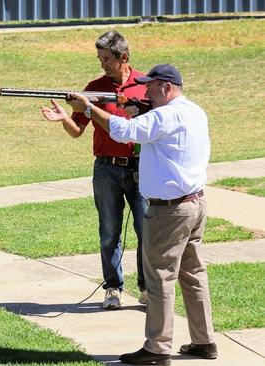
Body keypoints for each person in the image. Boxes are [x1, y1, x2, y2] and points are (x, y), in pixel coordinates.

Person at [62, 64, 216, 365]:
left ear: (166, 88)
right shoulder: (194, 111)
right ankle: (204, 341)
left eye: (150, 87)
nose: (145, 91)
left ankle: (157, 348)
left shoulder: (164, 115)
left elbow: (123, 132)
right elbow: (150, 127)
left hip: (170, 210)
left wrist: (90, 109)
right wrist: (134, 109)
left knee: (159, 278)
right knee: (193, 274)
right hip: (195, 205)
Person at [41, 30, 147, 309]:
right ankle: (113, 289)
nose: (102, 63)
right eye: (99, 58)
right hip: (106, 169)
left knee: (146, 230)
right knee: (109, 231)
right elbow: (77, 130)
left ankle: (148, 290)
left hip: (141, 169)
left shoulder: (145, 86)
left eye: (107, 59)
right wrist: (65, 117)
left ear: (124, 57)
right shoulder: (94, 87)